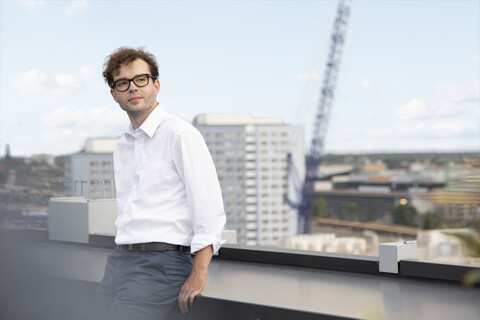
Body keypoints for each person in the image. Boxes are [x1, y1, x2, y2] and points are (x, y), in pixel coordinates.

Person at [94, 47, 226, 320]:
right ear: (114, 94)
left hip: (162, 263)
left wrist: (198, 274)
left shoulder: (180, 134)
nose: (133, 87)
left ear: (156, 84)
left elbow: (209, 209)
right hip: (120, 260)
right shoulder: (122, 145)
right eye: (123, 83)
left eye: (141, 79)